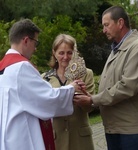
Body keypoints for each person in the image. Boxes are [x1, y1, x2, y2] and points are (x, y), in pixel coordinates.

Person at [0, 19, 85, 150]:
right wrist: (71, 88)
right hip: (23, 138)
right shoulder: (21, 67)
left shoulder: (4, 67)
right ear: (26, 40)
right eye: (36, 42)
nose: (35, 48)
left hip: (8, 137)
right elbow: (47, 98)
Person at [73, 6, 138, 150]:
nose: (103, 30)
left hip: (133, 132)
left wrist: (93, 100)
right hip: (115, 130)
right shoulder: (116, 50)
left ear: (120, 23)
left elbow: (127, 86)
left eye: (106, 25)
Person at [42, 34, 95, 150]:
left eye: (69, 52)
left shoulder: (86, 74)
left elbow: (90, 107)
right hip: (56, 140)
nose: (65, 57)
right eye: (61, 53)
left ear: (75, 53)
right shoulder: (44, 79)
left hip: (80, 139)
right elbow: (43, 109)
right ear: (54, 53)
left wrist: (86, 97)